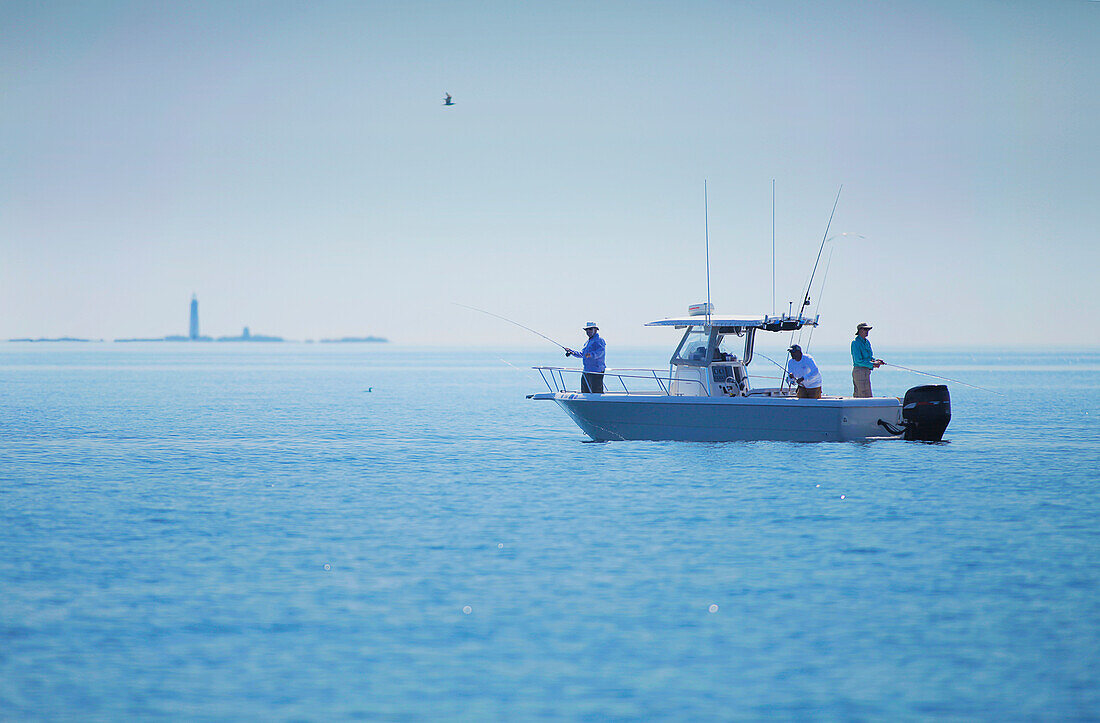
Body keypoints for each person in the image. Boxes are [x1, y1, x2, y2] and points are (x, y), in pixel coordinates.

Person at [565, 322, 606, 393]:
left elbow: (600, 352)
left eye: (590, 329)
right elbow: (582, 354)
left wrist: (591, 354)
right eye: (586, 330)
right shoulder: (587, 342)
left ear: (595, 330)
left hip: (596, 371)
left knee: (596, 392)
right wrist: (571, 352)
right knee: (585, 392)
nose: (588, 331)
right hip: (586, 370)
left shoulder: (599, 340)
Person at [851, 322, 884, 398]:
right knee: (861, 394)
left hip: (866, 371)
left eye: (868, 330)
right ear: (860, 330)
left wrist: (876, 361)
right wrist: (873, 364)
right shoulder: (855, 343)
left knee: (868, 394)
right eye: (865, 329)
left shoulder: (867, 342)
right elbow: (858, 361)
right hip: (859, 371)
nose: (867, 331)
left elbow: (869, 358)